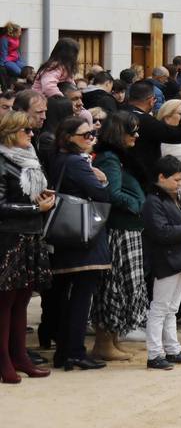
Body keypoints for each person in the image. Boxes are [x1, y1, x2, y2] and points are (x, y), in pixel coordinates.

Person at [47, 116, 111, 370]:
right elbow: (101, 194)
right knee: (81, 298)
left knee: (66, 297)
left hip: (64, 234)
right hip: (82, 237)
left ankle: (65, 352)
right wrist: (103, 179)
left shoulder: (58, 159)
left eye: (93, 134)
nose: (91, 139)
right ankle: (74, 351)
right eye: (86, 135)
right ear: (68, 138)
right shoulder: (76, 162)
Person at [0, 110, 55, 382]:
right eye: (26, 131)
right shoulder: (1, 160)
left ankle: (20, 356)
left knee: (22, 299)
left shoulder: (29, 157)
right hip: (9, 238)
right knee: (5, 302)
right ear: (10, 132)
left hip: (31, 234)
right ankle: (4, 361)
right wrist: (35, 206)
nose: (32, 135)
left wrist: (42, 198)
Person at [89, 111, 147, 364]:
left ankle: (112, 341)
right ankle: (104, 343)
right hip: (118, 230)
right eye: (131, 130)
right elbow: (111, 194)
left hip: (127, 229)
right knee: (114, 287)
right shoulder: (110, 159)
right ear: (118, 132)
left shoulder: (117, 157)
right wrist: (136, 204)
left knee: (123, 287)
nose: (136, 135)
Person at [140, 155, 181, 370]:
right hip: (165, 259)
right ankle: (155, 353)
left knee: (171, 308)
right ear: (161, 177)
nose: (180, 183)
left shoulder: (174, 197)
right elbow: (160, 232)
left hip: (180, 257)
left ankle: (172, 349)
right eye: (176, 180)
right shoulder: (153, 201)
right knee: (160, 308)